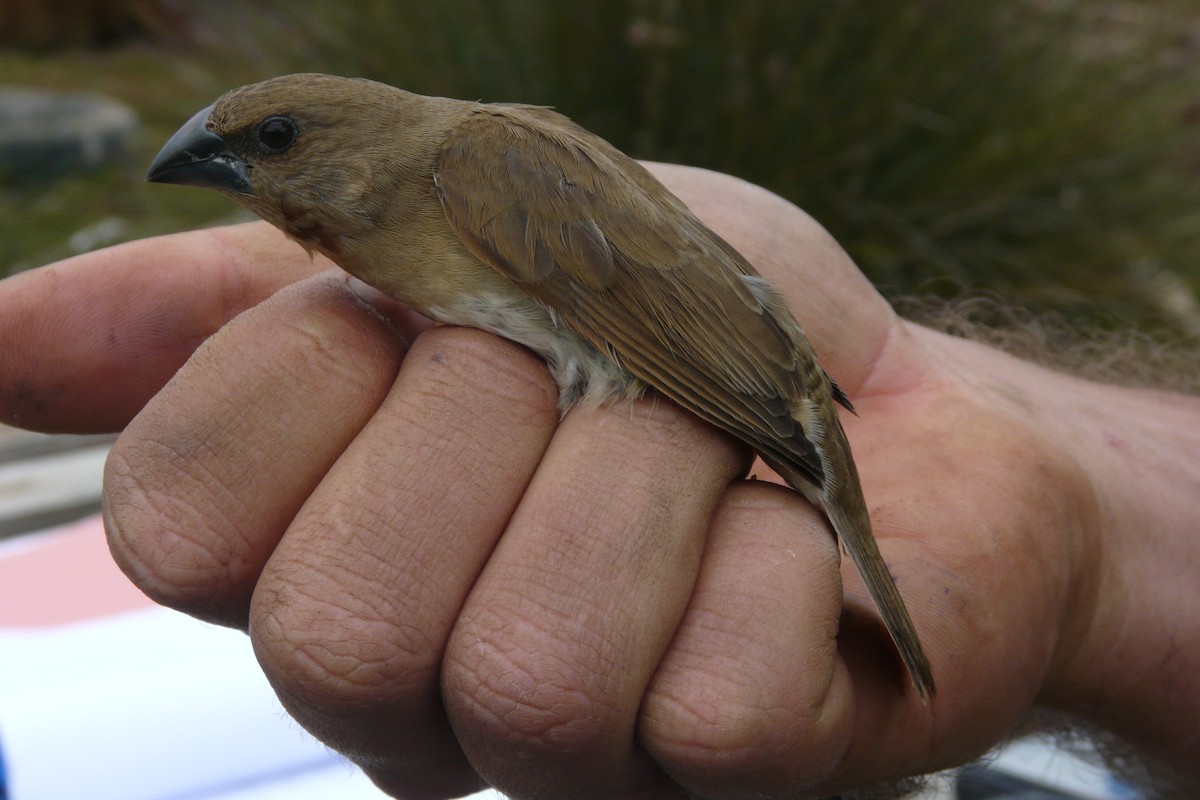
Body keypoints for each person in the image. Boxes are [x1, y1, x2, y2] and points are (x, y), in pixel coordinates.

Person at [1, 164, 1195, 799]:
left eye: (278, 140)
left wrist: (795, 427)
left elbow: (669, 313)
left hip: (732, 377)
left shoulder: (473, 164)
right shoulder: (406, 214)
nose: (239, 167)